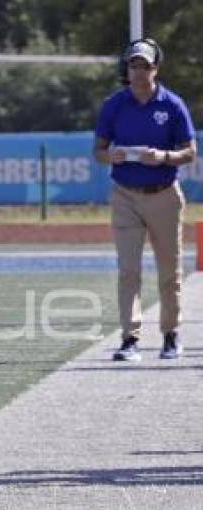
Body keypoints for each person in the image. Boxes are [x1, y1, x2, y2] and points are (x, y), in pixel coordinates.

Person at [93, 39, 196, 362]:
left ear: (156, 68)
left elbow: (190, 151)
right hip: (125, 194)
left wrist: (164, 156)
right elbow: (98, 152)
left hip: (163, 193)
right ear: (128, 68)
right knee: (128, 270)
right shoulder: (114, 105)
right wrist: (113, 155)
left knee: (169, 270)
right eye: (134, 65)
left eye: (146, 65)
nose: (140, 72)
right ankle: (130, 337)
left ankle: (170, 334)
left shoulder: (172, 105)